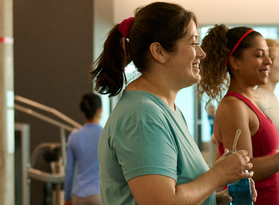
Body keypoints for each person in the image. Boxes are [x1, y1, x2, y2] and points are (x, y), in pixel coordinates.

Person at [92, 2, 255, 205]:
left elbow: (180, 191)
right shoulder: (142, 116)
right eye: (194, 43)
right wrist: (219, 175)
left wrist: (217, 198)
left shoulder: (166, 109)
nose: (201, 53)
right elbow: (162, 202)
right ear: (159, 51)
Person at [198, 25, 279, 205]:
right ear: (235, 62)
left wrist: (278, 175)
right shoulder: (233, 106)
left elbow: (258, 167)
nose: (268, 61)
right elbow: (243, 169)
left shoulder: (250, 104)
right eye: (259, 55)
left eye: (268, 54)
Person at [64, 93, 105, 205]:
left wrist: (67, 197)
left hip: (79, 196)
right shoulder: (106, 135)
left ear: (84, 111)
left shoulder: (74, 136)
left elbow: (69, 170)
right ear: (100, 110)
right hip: (99, 195)